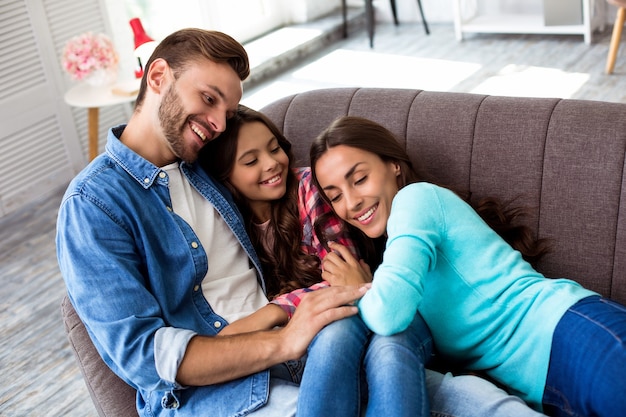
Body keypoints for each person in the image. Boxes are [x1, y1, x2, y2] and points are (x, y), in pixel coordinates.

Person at [55, 28, 366, 417]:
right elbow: (144, 357)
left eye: (228, 112)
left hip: (302, 352)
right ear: (157, 77)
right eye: (207, 98)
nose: (219, 124)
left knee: (455, 398)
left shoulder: (209, 166)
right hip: (216, 397)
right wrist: (284, 339)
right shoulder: (93, 204)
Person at [200, 105, 547, 417]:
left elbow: (347, 278)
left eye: (275, 148)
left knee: (353, 340)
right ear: (225, 179)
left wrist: (275, 311)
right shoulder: (230, 225)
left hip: (361, 308)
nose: (271, 162)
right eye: (251, 161)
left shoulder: (313, 188)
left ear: (392, 165)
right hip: (338, 326)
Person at [309, 115, 626, 417]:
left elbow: (388, 315)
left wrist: (356, 289)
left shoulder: (414, 199)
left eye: (360, 179)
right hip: (549, 386)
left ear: (393, 164)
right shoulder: (398, 262)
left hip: (574, 336)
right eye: (335, 196)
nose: (351, 202)